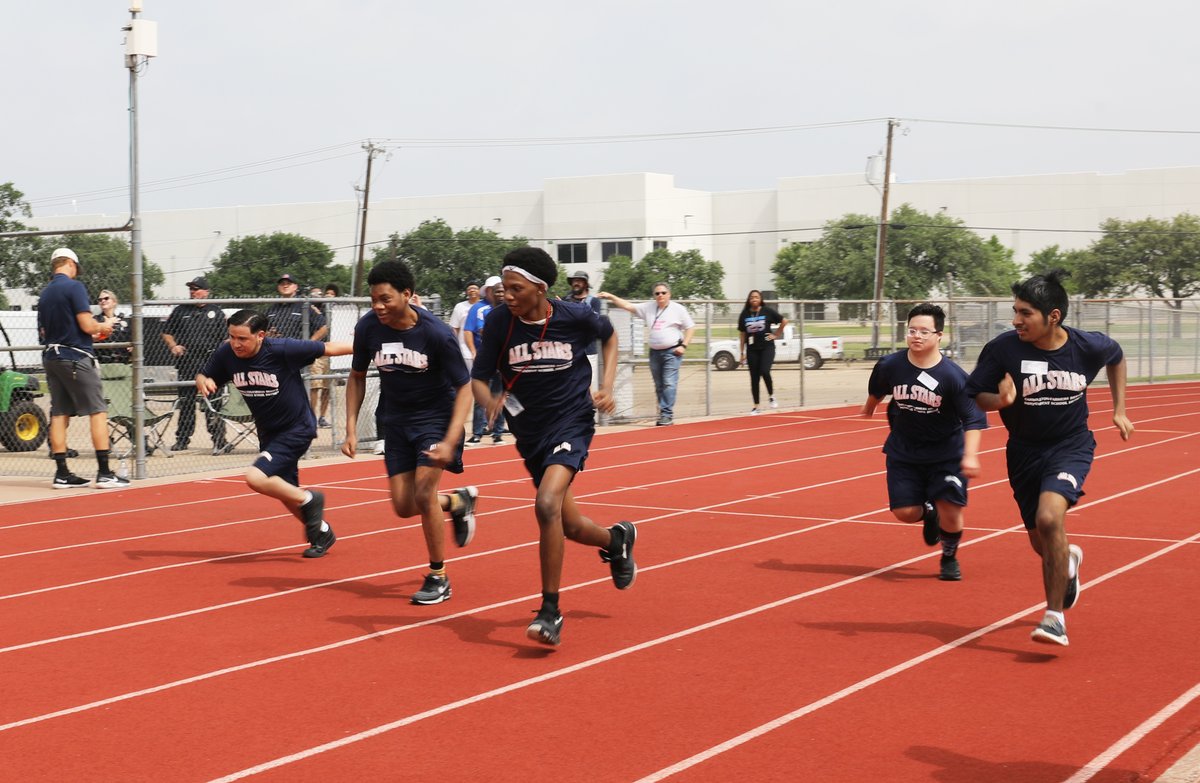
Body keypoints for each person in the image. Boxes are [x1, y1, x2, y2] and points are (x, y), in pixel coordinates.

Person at [472, 246, 636, 646]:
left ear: (540, 288)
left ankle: (550, 611)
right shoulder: (498, 322)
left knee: (546, 504)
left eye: (515, 289)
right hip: (528, 431)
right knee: (570, 525)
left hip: (572, 421)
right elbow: (479, 376)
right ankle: (616, 541)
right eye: (503, 288)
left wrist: (606, 386)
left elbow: (609, 338)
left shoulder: (574, 316)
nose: (506, 296)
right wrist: (488, 400)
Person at [966, 270, 1134, 647]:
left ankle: (1054, 617)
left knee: (1049, 517)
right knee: (1043, 543)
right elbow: (976, 394)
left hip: (1070, 446)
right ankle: (1069, 561)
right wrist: (1003, 400)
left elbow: (1117, 356)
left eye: (1025, 313)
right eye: (1015, 311)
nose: (1016, 320)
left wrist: (1120, 408)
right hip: (1023, 451)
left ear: (1053, 316)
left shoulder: (1086, 346)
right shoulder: (1003, 349)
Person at [341, 260, 479, 605]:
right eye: (373, 299)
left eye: (385, 299)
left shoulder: (435, 333)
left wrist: (450, 439)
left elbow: (465, 388)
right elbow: (357, 377)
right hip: (396, 421)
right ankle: (458, 502)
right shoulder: (368, 328)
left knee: (423, 489)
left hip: (436, 419)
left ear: (407, 295)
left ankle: (438, 576)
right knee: (404, 506)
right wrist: (350, 430)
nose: (378, 306)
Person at [196, 309, 353, 558]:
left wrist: (371, 344)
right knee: (286, 491)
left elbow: (329, 348)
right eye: (232, 337)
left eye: (242, 339)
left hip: (297, 428)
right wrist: (202, 380)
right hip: (268, 432)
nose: (235, 343)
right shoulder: (227, 352)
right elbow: (205, 373)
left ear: (260, 335)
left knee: (256, 478)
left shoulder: (282, 349)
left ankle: (312, 499)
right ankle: (321, 531)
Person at [861, 303, 987, 581]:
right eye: (912, 330)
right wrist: (868, 409)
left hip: (946, 453)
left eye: (924, 331)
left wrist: (971, 455)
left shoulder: (953, 377)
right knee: (904, 512)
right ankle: (928, 512)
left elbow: (974, 419)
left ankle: (949, 557)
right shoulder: (891, 365)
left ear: (939, 335)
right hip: (904, 450)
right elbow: (878, 389)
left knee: (951, 510)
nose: (916, 336)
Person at [37, 248, 128, 489]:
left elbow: (48, 333)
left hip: (52, 357)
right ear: (70, 263)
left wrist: (92, 334)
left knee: (59, 413)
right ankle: (105, 472)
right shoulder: (74, 287)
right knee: (97, 410)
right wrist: (105, 325)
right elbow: (87, 325)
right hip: (75, 358)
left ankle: (62, 472)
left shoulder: (45, 293)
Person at [599, 283, 695, 426]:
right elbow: (627, 306)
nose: (660, 296)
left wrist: (684, 345)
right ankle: (663, 413)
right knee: (659, 385)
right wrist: (611, 296)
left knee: (669, 383)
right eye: (657, 293)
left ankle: (666, 414)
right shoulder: (649, 307)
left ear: (669, 294)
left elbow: (691, 327)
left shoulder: (678, 309)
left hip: (672, 352)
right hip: (655, 352)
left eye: (663, 293)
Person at [161, 276, 231, 454]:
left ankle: (219, 439)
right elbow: (167, 333)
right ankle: (182, 439)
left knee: (213, 403)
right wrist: (173, 346)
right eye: (191, 289)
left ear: (206, 291)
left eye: (197, 288)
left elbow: (225, 338)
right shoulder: (180, 310)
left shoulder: (216, 311)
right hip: (187, 362)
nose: (193, 292)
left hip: (210, 364)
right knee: (186, 403)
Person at [463, 276, 507, 444]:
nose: (498, 294)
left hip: (502, 361)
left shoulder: (509, 308)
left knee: (499, 395)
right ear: (488, 292)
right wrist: (473, 352)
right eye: (493, 290)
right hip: (485, 359)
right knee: (480, 397)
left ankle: (498, 432)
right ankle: (477, 433)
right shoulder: (478, 309)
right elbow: (469, 331)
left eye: (501, 291)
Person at [737, 290, 787, 413]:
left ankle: (771, 396)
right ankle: (756, 406)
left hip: (767, 347)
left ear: (760, 299)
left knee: (765, 371)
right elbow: (743, 334)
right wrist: (742, 353)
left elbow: (784, 320)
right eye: (752, 297)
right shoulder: (745, 314)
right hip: (752, 349)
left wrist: (777, 334)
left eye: (756, 297)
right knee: (754, 378)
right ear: (749, 300)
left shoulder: (767, 311)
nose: (754, 299)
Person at [563, 271, 602, 389]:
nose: (576, 283)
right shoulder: (565, 300)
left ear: (585, 284)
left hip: (589, 351)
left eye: (579, 281)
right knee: (570, 386)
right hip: (568, 352)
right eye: (574, 281)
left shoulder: (594, 302)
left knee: (590, 386)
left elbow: (592, 324)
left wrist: (569, 312)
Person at [266, 273, 327, 341]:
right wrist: (268, 334)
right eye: (282, 284)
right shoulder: (272, 308)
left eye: (288, 283)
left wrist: (309, 344)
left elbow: (324, 327)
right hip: (276, 349)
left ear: (295, 287)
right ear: (278, 287)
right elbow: (262, 330)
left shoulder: (304, 306)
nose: (285, 286)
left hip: (297, 349)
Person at [306, 286, 333, 428]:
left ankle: (322, 417)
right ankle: (312, 416)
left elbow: (328, 325)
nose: (317, 297)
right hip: (316, 353)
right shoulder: (308, 310)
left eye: (319, 295)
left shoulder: (327, 310)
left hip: (330, 352)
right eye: (314, 295)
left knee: (327, 387)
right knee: (315, 386)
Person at [94, 289, 131, 364]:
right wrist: (109, 323)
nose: (103, 301)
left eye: (106, 298)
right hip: (101, 361)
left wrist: (131, 346)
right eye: (100, 300)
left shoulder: (123, 321)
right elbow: (94, 336)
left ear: (114, 302)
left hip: (122, 362)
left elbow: (131, 338)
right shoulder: (95, 320)